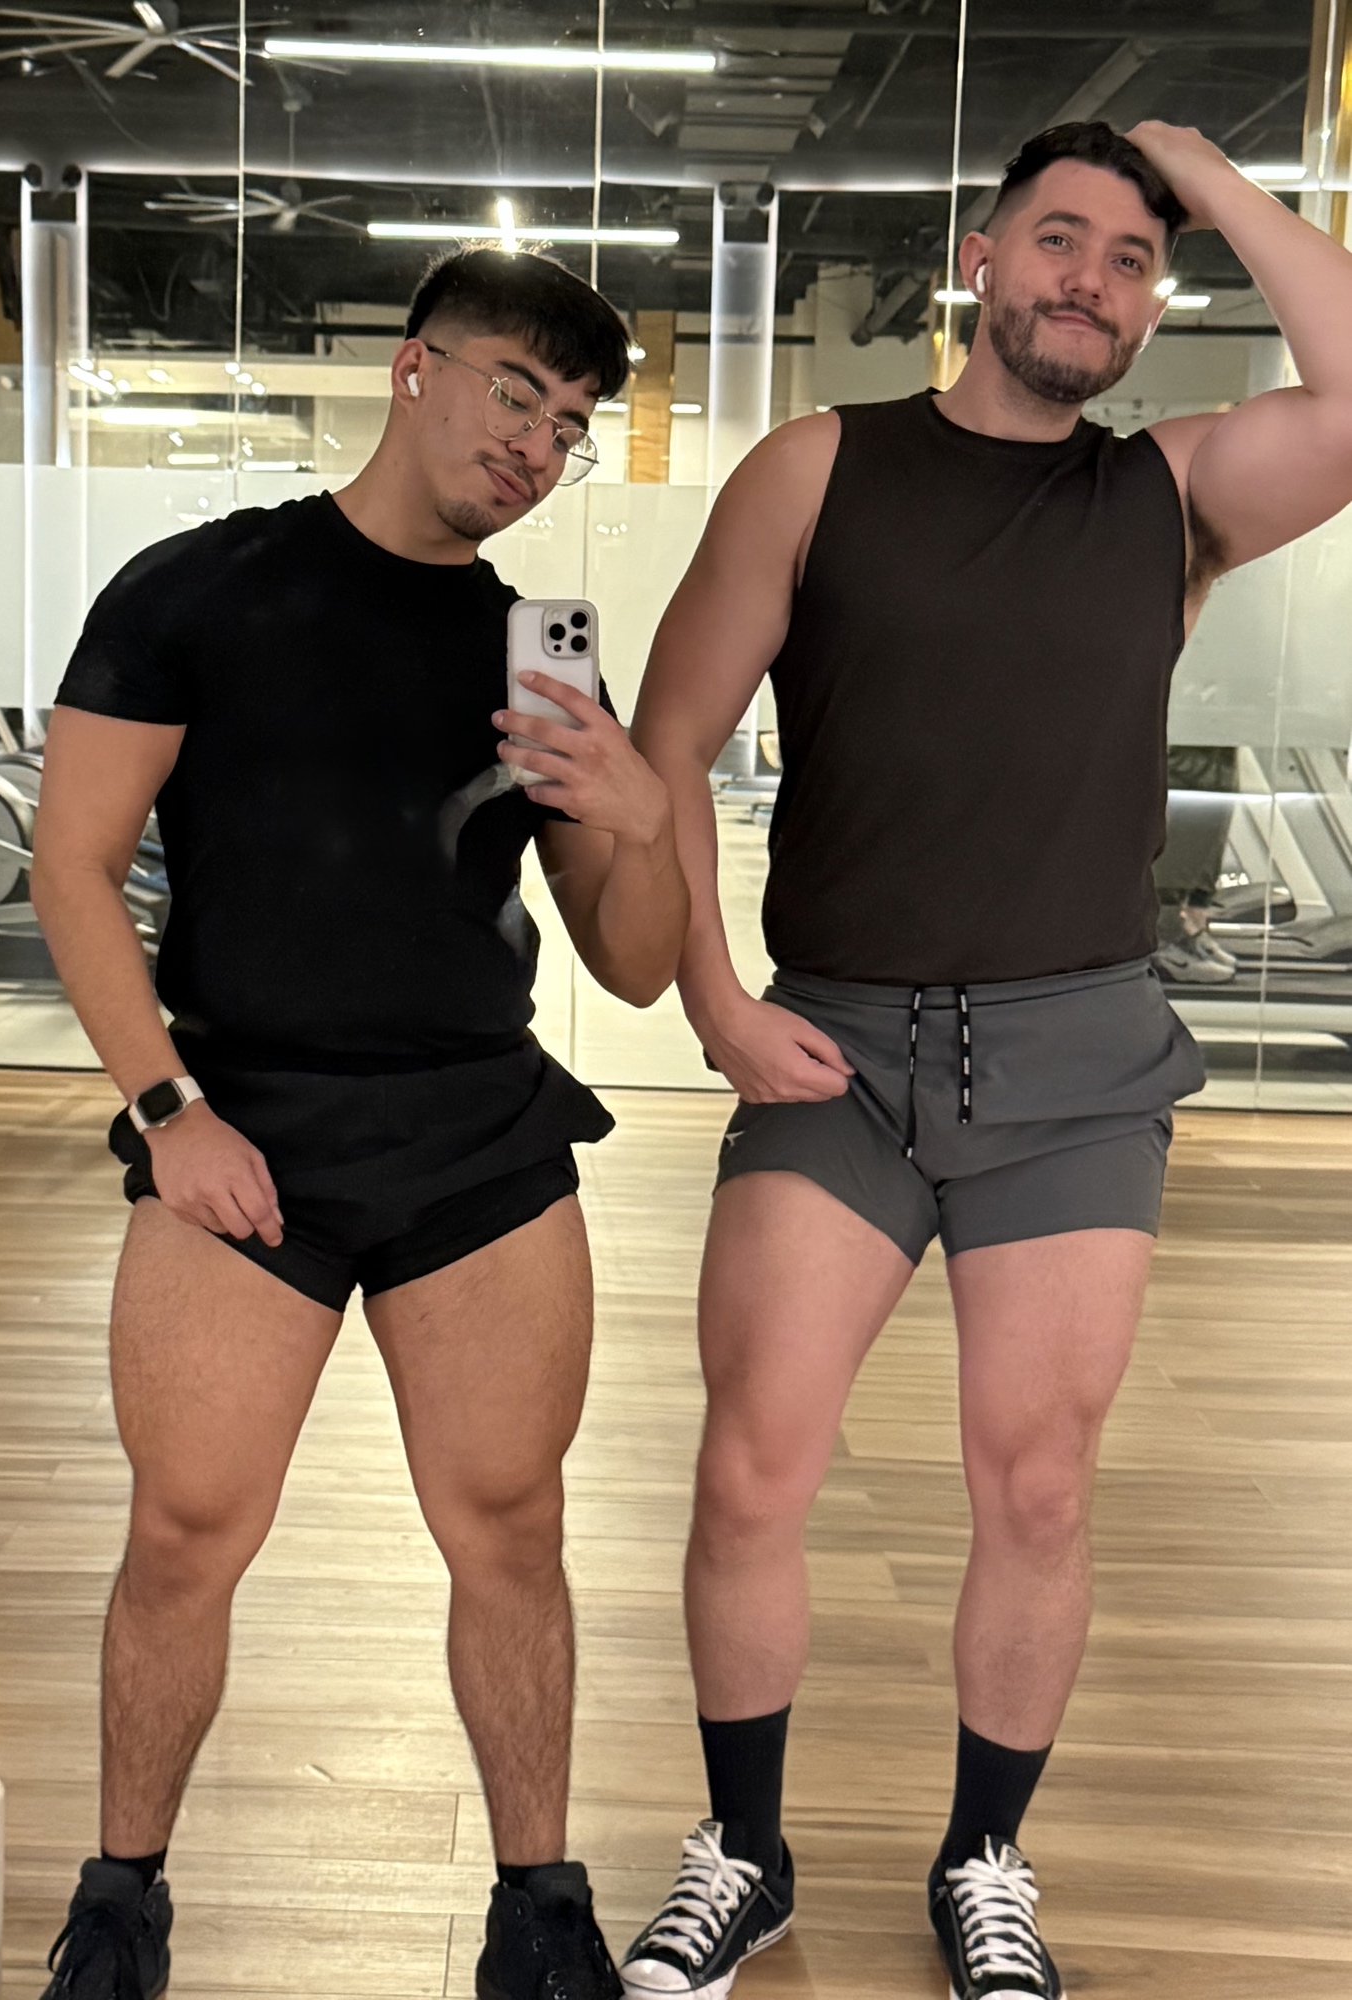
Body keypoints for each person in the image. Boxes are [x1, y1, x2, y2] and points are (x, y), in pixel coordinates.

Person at [623, 119, 1352, 2000]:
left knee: (1038, 1489)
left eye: (1131, 259)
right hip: (840, 1047)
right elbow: (669, 742)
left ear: (1154, 304)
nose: (1089, 281)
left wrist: (1209, 171)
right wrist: (712, 998)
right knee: (751, 1471)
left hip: (1077, 1061)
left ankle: (983, 1859)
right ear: (979, 257)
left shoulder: (1172, 497)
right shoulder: (817, 468)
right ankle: (744, 1851)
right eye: (1058, 239)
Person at [30, 248, 688, 2000]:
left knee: (513, 1529)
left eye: (569, 423)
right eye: (514, 392)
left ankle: (540, 1915)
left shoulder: (537, 657)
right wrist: (169, 1111)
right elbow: (73, 865)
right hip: (245, 1124)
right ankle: (120, 1909)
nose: (537, 444)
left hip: (478, 1136)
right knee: (186, 1534)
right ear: (415, 370)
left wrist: (641, 817)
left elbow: (632, 968)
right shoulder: (200, 590)